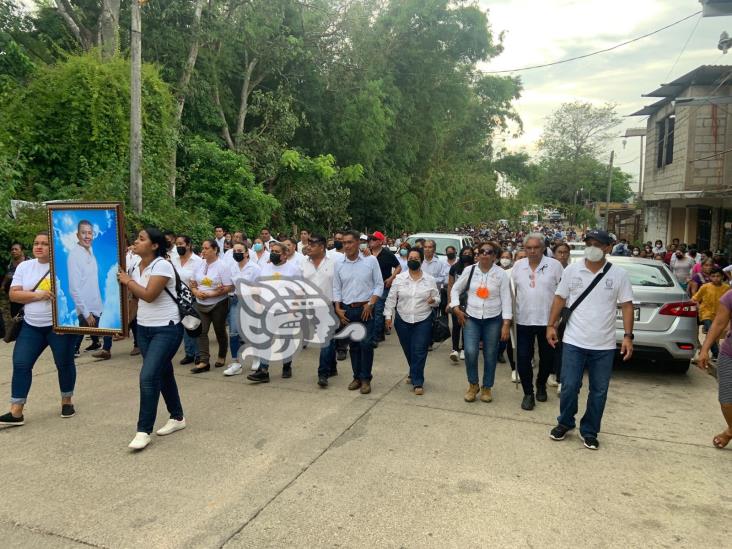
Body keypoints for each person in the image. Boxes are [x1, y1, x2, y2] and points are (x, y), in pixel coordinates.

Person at [546, 229, 634, 451]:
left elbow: (627, 306)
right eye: (589, 243)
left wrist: (628, 336)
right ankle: (565, 422)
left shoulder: (618, 275)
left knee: (599, 391)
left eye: (597, 244)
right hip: (574, 341)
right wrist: (550, 325)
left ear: (607, 248)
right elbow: (559, 298)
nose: (592, 247)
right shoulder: (572, 271)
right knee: (569, 386)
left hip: (603, 345)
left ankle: (590, 431)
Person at [117, 228, 186, 450]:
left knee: (148, 376)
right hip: (144, 329)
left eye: (141, 239)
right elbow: (137, 301)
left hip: (166, 330)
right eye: (136, 238)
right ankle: (177, 417)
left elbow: (148, 294)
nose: (135, 242)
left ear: (155, 246)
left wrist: (127, 281)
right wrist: (124, 325)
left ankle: (143, 430)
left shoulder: (162, 265)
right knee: (163, 373)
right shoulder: (137, 266)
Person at [0, 232, 77, 427]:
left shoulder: (63, 267)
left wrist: (67, 321)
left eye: (44, 244)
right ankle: (16, 411)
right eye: (36, 243)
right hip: (31, 326)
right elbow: (14, 295)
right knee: (21, 364)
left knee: (64, 364)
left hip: (57, 327)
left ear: (53, 248)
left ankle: (66, 401)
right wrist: (38, 295)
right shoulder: (25, 267)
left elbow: (73, 296)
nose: (39, 247)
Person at [450, 241, 512, 404]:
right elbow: (455, 289)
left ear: (495, 256)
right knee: (470, 352)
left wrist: (506, 323)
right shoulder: (469, 270)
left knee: (490, 354)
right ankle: (473, 384)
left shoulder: (500, 274)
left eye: (489, 252)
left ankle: (487, 387)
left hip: (493, 319)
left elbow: (506, 299)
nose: (484, 254)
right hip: (471, 317)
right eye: (481, 251)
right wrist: (455, 307)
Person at [511, 234, 563, 411]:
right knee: (523, 358)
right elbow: (511, 292)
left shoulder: (555, 266)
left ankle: (541, 384)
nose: (532, 251)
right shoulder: (518, 266)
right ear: (524, 249)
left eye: (536, 247)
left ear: (543, 248)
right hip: (523, 320)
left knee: (547, 358)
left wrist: (557, 320)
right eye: (528, 248)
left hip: (548, 322)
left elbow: (563, 294)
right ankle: (528, 393)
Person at [333, 230, 384, 394]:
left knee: (366, 344)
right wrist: (337, 308)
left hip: (366, 309)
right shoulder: (339, 264)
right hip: (348, 310)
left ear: (357, 243)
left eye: (349, 242)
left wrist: (371, 303)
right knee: (354, 345)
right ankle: (356, 377)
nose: (346, 246)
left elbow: (379, 285)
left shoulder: (370, 261)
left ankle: (366, 378)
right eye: (344, 243)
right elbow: (336, 288)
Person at [384, 247, 440, 395]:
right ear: (406, 260)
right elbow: (391, 299)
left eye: (416, 259)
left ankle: (418, 381)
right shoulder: (400, 279)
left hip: (423, 319)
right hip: (403, 320)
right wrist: (388, 317)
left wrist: (433, 300)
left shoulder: (429, 279)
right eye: (410, 258)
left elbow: (437, 299)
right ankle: (413, 371)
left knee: (419, 351)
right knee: (409, 350)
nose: (413, 261)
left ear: (421, 261)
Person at [247, 242, 303, 383]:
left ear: (285, 255)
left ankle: (286, 365)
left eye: (277, 252)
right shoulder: (265, 267)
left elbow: (299, 291)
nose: (273, 254)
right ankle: (263, 370)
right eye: (272, 251)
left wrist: (294, 309)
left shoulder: (293, 269)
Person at [67, 219, 111, 358]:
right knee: (86, 325)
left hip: (96, 302)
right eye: (83, 233)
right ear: (77, 235)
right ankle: (75, 348)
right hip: (86, 305)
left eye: (90, 233)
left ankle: (97, 344)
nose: (87, 236)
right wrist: (86, 312)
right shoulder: (74, 255)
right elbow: (74, 288)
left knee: (103, 326)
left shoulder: (90, 250)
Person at [189, 240, 233, 373]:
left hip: (218, 303)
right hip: (200, 303)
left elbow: (229, 286)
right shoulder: (199, 264)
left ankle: (221, 355)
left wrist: (212, 294)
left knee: (219, 330)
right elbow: (192, 282)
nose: (203, 250)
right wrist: (196, 292)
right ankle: (204, 361)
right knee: (201, 331)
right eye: (202, 248)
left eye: (206, 248)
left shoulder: (222, 266)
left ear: (215, 250)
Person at [697, 287, 732, 449]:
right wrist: (705, 349)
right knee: (726, 400)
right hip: (729, 355)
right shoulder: (730, 296)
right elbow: (719, 323)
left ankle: (729, 433)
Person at [302, 234, 338, 387]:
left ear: (322, 247)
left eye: (312, 244)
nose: (308, 247)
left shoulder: (335, 262)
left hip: (329, 306)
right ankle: (333, 366)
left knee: (326, 339)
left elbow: (339, 284)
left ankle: (322, 373)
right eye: (308, 244)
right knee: (328, 340)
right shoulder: (304, 263)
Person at [223, 243, 261, 376]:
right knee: (233, 333)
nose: (236, 253)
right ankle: (236, 363)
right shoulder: (232, 267)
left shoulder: (255, 268)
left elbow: (260, 287)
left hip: (251, 301)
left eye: (240, 251)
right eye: (234, 251)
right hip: (236, 300)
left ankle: (257, 358)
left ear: (246, 253)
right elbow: (231, 286)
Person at [171, 235, 203, 365]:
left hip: (193, 297)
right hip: (178, 297)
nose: (179, 246)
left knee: (193, 325)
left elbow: (201, 279)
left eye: (181, 244)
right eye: (177, 244)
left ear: (189, 245)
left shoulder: (198, 261)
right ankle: (189, 353)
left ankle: (199, 354)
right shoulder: (174, 260)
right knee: (184, 326)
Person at [368, 231, 401, 346]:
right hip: (368, 287)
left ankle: (376, 337)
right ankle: (373, 334)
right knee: (369, 310)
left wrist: (391, 278)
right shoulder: (366, 253)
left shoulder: (387, 254)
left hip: (382, 286)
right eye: (370, 239)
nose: (371, 241)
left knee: (378, 310)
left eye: (374, 239)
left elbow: (398, 267)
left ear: (381, 242)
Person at [692, 268, 729, 361]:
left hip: (720, 315)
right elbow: (695, 298)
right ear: (709, 277)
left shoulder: (727, 288)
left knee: (716, 334)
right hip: (706, 313)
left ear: (722, 277)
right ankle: (716, 353)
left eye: (718, 276)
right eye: (713, 276)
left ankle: (705, 351)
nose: (716, 278)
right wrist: (698, 307)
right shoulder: (705, 287)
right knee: (710, 331)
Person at [3, 242, 26, 319]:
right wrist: (3, 285)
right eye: (12, 249)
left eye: (16, 249)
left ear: (22, 251)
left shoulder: (29, 262)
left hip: (27, 293)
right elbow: (8, 275)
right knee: (14, 315)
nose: (13, 251)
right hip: (14, 295)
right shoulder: (10, 264)